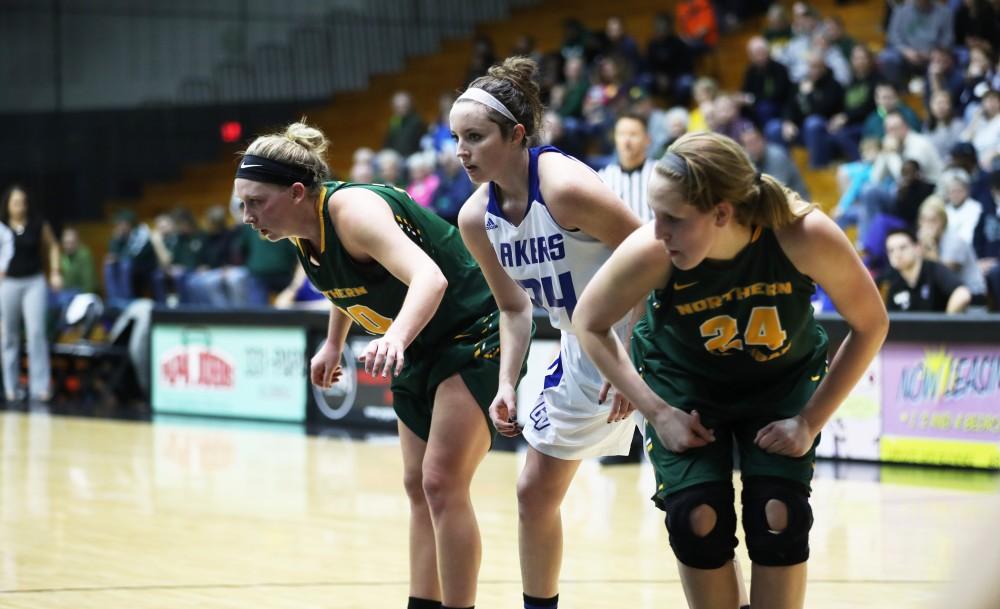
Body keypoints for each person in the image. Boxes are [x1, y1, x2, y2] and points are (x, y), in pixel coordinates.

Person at [574, 131, 889, 609]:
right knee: (696, 519)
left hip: (777, 384)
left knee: (778, 516)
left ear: (721, 213)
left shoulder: (803, 234)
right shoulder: (655, 248)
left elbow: (871, 324)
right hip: (684, 386)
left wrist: (810, 421)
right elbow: (589, 322)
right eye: (655, 215)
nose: (657, 231)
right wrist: (657, 412)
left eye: (672, 219)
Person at [234, 120, 512, 609]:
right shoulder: (304, 230)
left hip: (474, 327)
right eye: (242, 203)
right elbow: (347, 288)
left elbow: (430, 278)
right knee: (416, 484)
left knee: (441, 482)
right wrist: (332, 344)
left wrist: (396, 337)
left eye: (256, 201)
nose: (247, 215)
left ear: (297, 192)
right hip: (423, 340)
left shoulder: (354, 211)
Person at [451, 57, 643, 609]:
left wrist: (628, 359)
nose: (461, 151)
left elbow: (653, 255)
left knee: (688, 490)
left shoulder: (563, 186)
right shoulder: (474, 219)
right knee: (535, 493)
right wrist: (507, 382)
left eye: (475, 137)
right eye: (456, 138)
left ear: (516, 135)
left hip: (644, 323)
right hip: (583, 341)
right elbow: (513, 308)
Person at [0, 185, 63, 403]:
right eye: (15, 202)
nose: (20, 206)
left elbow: (53, 246)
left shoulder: (37, 224)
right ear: (7, 205)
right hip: (8, 283)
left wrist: (54, 272)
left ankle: (40, 386)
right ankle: (11, 386)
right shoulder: (2, 227)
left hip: (33, 281)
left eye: (23, 202)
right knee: (9, 335)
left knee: (36, 333)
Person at [880, 228, 972, 312]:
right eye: (891, 250)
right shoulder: (887, 278)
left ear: (917, 248)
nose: (897, 254)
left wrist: (947, 323)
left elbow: (962, 294)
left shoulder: (933, 269)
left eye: (902, 248)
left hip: (934, 329)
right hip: (902, 330)